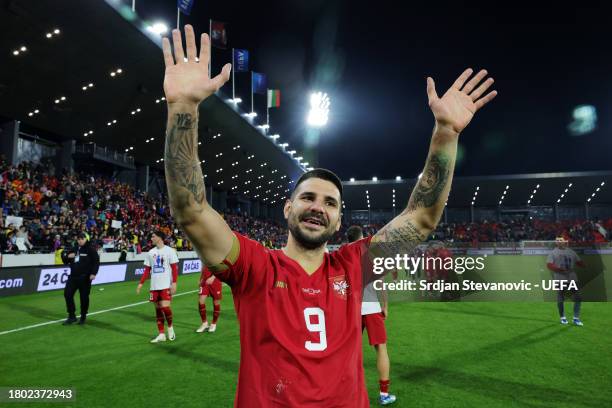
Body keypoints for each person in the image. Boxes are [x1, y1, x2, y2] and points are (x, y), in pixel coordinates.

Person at [161, 24, 496, 406]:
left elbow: (421, 218)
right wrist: (183, 107)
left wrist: (446, 133)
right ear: (288, 207)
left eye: (330, 203)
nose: (318, 207)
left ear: (338, 221)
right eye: (308, 197)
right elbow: (190, 210)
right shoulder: (255, 267)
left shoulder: (353, 265)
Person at [347, 225, 396, 406]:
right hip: (372, 307)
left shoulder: (342, 255)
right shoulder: (371, 255)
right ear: (362, 237)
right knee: (381, 349)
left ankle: (347, 391)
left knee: (348, 351)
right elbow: (381, 282)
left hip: (351, 310)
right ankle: (384, 394)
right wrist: (385, 305)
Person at [137, 230, 179, 343]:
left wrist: (174, 283)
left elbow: (174, 268)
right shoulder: (150, 252)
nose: (151, 238)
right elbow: (147, 270)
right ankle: (161, 334)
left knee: (165, 308)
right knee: (158, 310)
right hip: (154, 285)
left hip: (166, 284)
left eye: (153, 236)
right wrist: (141, 283)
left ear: (160, 238)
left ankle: (170, 328)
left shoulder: (170, 251)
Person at [62, 232, 99, 325]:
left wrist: (93, 273)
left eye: (82, 238)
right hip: (73, 277)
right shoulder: (74, 248)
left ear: (86, 239)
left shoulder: (91, 249)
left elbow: (96, 262)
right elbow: (65, 260)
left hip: (85, 278)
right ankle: (71, 316)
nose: (80, 240)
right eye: (78, 239)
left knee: (84, 298)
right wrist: (67, 256)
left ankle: (83, 316)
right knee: (67, 294)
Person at [546, 237, 585, 326]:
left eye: (561, 240)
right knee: (561, 296)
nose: (559, 241)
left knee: (578, 297)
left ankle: (576, 318)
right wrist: (559, 269)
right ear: (556, 243)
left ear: (564, 242)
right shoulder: (553, 253)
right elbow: (549, 265)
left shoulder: (571, 251)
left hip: (572, 277)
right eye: (557, 240)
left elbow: (579, 261)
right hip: (560, 277)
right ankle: (563, 317)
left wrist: (583, 265)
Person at [196, 265, 222, 333]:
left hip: (216, 280)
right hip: (204, 281)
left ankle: (213, 324)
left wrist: (213, 278)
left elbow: (220, 267)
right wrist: (201, 278)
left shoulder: (217, 255)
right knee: (201, 301)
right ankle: (204, 324)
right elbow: (203, 267)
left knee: (216, 302)